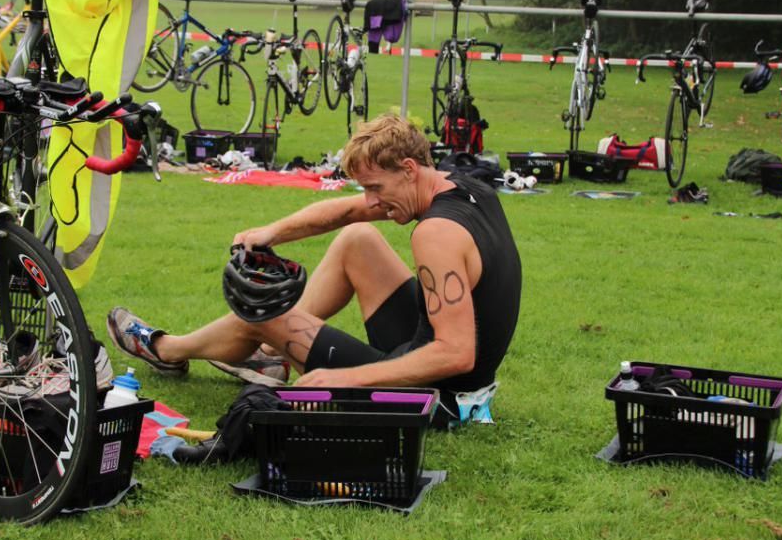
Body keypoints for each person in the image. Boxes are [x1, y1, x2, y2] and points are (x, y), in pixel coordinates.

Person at [107, 114, 522, 420]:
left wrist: (348, 380)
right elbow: (346, 213)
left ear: (410, 169)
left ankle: (167, 350)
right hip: (457, 377)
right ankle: (270, 354)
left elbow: (457, 353)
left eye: (376, 187)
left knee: (266, 314)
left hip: (439, 397)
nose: (372, 201)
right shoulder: (460, 185)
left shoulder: (435, 234)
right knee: (357, 239)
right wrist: (272, 232)